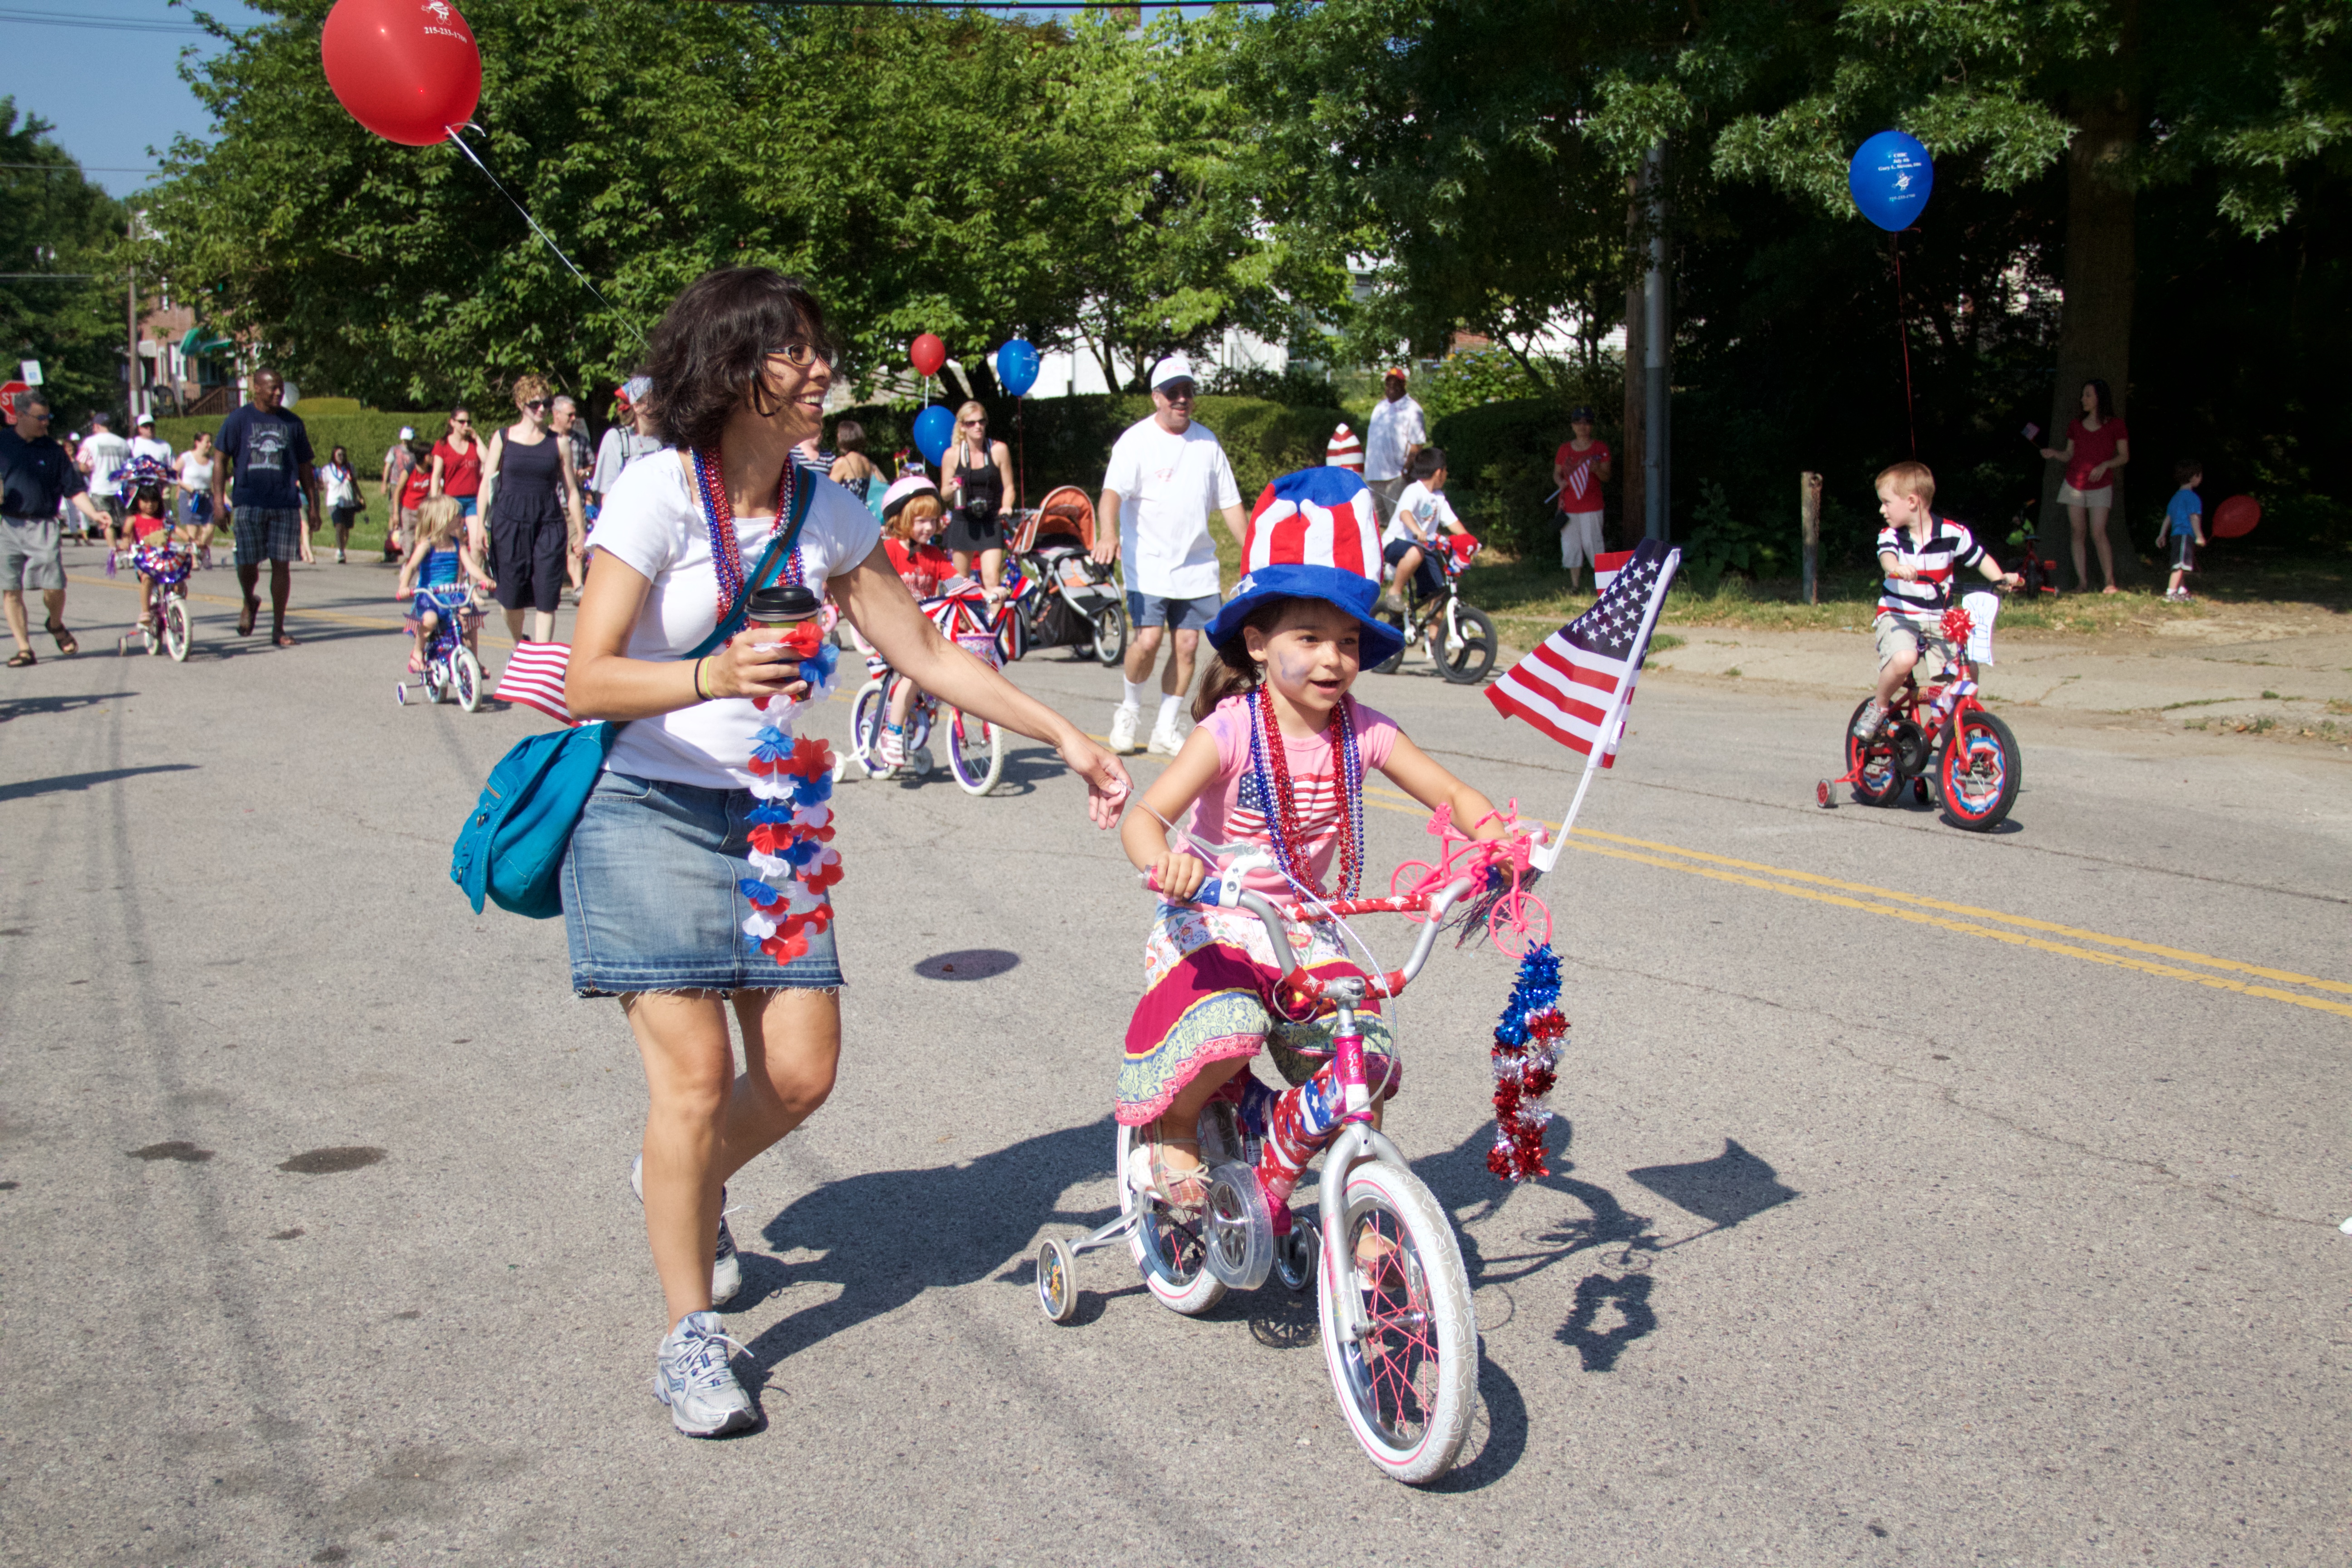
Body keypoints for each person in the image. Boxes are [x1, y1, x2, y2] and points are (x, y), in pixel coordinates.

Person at [563, 266, 1129, 1437]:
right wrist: (711, 674)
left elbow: (924, 653)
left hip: (774, 814)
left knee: (804, 1072)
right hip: (649, 815)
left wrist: (1064, 732)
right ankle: (690, 1339)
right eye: (796, 353)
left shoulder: (828, 511)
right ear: (734, 368)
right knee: (694, 1081)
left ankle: (680, 1177)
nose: (822, 370)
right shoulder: (659, 497)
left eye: (822, 350)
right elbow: (585, 679)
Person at [1114, 488, 1509, 1213]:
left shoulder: (1365, 730)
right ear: (1259, 645)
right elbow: (1144, 819)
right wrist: (1164, 862)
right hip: (1217, 921)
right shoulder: (1231, 729)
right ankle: (1174, 1126)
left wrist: (1498, 838)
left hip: (1303, 926)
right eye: (1309, 638)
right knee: (1232, 1029)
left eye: (1350, 642)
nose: (1334, 659)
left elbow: (1452, 794)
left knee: (1363, 1054)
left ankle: (1365, 1213)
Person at [1091, 354, 1244, 758]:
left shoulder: (1207, 443)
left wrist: (1253, 554)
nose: (1182, 399)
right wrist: (1108, 533)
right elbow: (1110, 495)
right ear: (1157, 397)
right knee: (1148, 640)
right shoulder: (1136, 441)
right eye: (1173, 392)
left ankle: (1165, 726)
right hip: (1149, 563)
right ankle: (1129, 711)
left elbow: (1230, 504)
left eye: (1188, 392)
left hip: (1195, 564)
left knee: (1190, 645)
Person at [1851, 461, 2021, 740]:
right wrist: (1896, 568)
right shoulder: (1891, 535)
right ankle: (1879, 706)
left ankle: (1957, 726)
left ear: (1912, 502)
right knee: (1904, 658)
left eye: (1886, 502)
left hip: (1939, 617)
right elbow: (1887, 558)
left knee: (1965, 669)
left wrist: (2001, 579)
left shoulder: (1954, 534)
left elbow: (1979, 558)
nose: (1882, 510)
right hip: (1899, 616)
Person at [211, 368, 318, 647]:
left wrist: (314, 506)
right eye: (272, 388)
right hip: (248, 501)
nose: (278, 393)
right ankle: (250, 599)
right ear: (256, 389)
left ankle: (278, 628)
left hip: (284, 503)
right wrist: (218, 502)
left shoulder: (292, 423)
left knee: (281, 565)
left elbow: (306, 467)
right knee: (247, 563)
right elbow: (220, 461)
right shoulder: (239, 419)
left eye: (281, 388)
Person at [1, 389, 108, 665]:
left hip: (43, 524)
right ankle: (25, 648)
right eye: (41, 417)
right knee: (11, 588)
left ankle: (56, 623)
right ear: (20, 416)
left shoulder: (53, 451)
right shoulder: (2, 443)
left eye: (48, 417)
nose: (46, 422)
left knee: (55, 584)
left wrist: (95, 514)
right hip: (7, 524)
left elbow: (74, 490)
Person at [480, 375, 586, 644]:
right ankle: (520, 644)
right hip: (509, 521)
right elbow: (486, 482)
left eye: (546, 403)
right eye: (534, 404)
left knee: (547, 597)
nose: (541, 409)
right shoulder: (502, 438)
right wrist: (480, 525)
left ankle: (539, 660)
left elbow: (572, 491)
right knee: (510, 599)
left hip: (548, 523)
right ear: (520, 404)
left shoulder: (559, 443)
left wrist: (581, 532)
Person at [874, 475, 958, 771]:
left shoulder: (934, 555)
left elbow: (956, 581)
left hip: (923, 634)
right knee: (914, 672)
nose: (929, 527)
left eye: (934, 520)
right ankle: (893, 731)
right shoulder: (890, 551)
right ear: (901, 520)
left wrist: (984, 592)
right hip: (891, 633)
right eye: (921, 520)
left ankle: (914, 719)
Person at [2038, 378, 2129, 594]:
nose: (2083, 399)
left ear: (2100, 398)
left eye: (2088, 395)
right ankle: (2082, 583)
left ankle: (2109, 582)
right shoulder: (2076, 425)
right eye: (2083, 395)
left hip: (2101, 486)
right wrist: (2054, 454)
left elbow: (2124, 456)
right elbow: (2069, 455)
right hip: (2074, 486)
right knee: (2078, 533)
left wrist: (2106, 465)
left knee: (2098, 532)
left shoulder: (2116, 425)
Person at [393, 494, 491, 672]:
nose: (460, 519)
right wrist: (404, 587)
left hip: (453, 595)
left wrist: (485, 580)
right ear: (443, 519)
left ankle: (474, 661)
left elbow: (471, 566)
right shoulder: (426, 545)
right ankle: (417, 652)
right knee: (429, 621)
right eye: (456, 516)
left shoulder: (457, 544)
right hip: (430, 597)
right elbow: (411, 567)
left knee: (468, 618)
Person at [1378, 447, 1468, 612]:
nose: (1446, 475)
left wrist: (1469, 541)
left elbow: (1453, 523)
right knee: (1416, 552)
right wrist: (1418, 531)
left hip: (1422, 549)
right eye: (1446, 471)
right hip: (1397, 543)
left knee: (1441, 593)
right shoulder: (1414, 490)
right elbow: (1405, 514)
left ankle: (1434, 637)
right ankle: (1394, 591)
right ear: (1439, 472)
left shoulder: (1439, 497)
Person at [941, 401, 1015, 598]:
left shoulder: (999, 450)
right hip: (962, 521)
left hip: (990, 521)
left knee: (992, 579)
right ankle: (963, 625)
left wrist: (1006, 506)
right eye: (971, 423)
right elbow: (943, 494)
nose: (978, 427)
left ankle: (994, 625)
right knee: (958, 580)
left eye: (981, 422)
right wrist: (952, 488)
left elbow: (1009, 487)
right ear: (962, 426)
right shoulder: (952, 455)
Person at [1554, 405, 1613, 591]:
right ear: (1572, 426)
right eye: (1578, 423)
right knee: (1571, 546)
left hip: (1592, 505)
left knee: (1593, 543)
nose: (1582, 427)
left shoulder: (1600, 448)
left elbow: (1607, 476)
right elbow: (1557, 474)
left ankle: (1603, 586)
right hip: (1569, 506)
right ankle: (1575, 586)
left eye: (1587, 423)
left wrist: (1597, 470)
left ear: (1592, 426)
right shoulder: (1564, 449)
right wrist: (1560, 483)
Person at [1362, 366, 1426, 527]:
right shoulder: (1380, 407)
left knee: (1399, 524)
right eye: (1388, 384)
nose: (1391, 388)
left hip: (1395, 477)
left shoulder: (1413, 409)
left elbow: (1417, 445)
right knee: (1373, 525)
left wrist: (1405, 472)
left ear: (1404, 385)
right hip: (1373, 476)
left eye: (1396, 384)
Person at [590, 378, 662, 524]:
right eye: (656, 399)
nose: (662, 405)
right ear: (637, 406)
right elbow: (607, 497)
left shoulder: (668, 441)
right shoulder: (618, 439)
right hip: (629, 525)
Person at [79, 412, 131, 544]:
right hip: (120, 489)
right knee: (126, 523)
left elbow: (82, 466)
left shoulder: (90, 442)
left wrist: (90, 469)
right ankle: (126, 551)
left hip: (100, 487)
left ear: (96, 426)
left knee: (108, 523)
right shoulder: (123, 443)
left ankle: (114, 553)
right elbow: (129, 466)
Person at [428, 404, 484, 526]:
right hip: (452, 500)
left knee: (476, 542)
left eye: (469, 422)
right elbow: (436, 475)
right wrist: (434, 501)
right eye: (462, 422)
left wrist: (477, 438)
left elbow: (488, 460)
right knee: (456, 538)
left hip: (474, 499)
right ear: (452, 422)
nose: (466, 425)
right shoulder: (442, 445)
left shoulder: (473, 443)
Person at [2160, 459, 2205, 603]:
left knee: (2181, 564)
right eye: (2199, 476)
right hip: (2185, 535)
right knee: (2179, 565)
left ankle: (2181, 591)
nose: (2200, 479)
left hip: (2175, 535)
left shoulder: (2175, 497)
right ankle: (2171, 593)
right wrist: (2199, 536)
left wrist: (2162, 535)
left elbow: (2168, 518)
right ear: (2193, 477)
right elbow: (2194, 518)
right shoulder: (2192, 498)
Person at [826, 418, 885, 525]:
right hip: (863, 514)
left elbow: (828, 490)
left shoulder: (843, 462)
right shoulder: (867, 462)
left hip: (846, 515)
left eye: (839, 434)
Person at [174, 431, 216, 565]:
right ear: (197, 443)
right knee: (193, 528)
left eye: (210, 442)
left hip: (207, 496)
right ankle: (193, 558)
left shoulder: (212, 462)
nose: (210, 445)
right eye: (207, 442)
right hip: (189, 497)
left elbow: (216, 481)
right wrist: (183, 485)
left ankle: (202, 549)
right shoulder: (186, 458)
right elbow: (173, 473)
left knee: (210, 527)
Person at [320, 444, 364, 564]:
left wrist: (361, 498)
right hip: (334, 502)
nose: (342, 457)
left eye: (343, 455)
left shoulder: (350, 467)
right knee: (339, 526)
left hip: (349, 501)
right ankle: (341, 551)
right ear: (334, 455)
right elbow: (323, 486)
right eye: (339, 455)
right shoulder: (327, 470)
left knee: (347, 529)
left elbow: (355, 483)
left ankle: (342, 548)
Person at [380, 425, 418, 560]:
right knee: (394, 514)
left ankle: (403, 543)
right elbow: (388, 466)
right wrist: (385, 483)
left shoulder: (414, 453)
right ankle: (391, 543)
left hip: (409, 484)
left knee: (405, 512)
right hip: (395, 483)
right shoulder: (395, 450)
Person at [395, 438, 433, 564]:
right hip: (408, 509)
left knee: (423, 540)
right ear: (425, 457)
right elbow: (398, 491)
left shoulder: (432, 471)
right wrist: (396, 513)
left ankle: (417, 565)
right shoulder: (410, 469)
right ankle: (408, 565)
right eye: (431, 455)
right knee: (409, 540)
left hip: (423, 512)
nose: (434, 457)